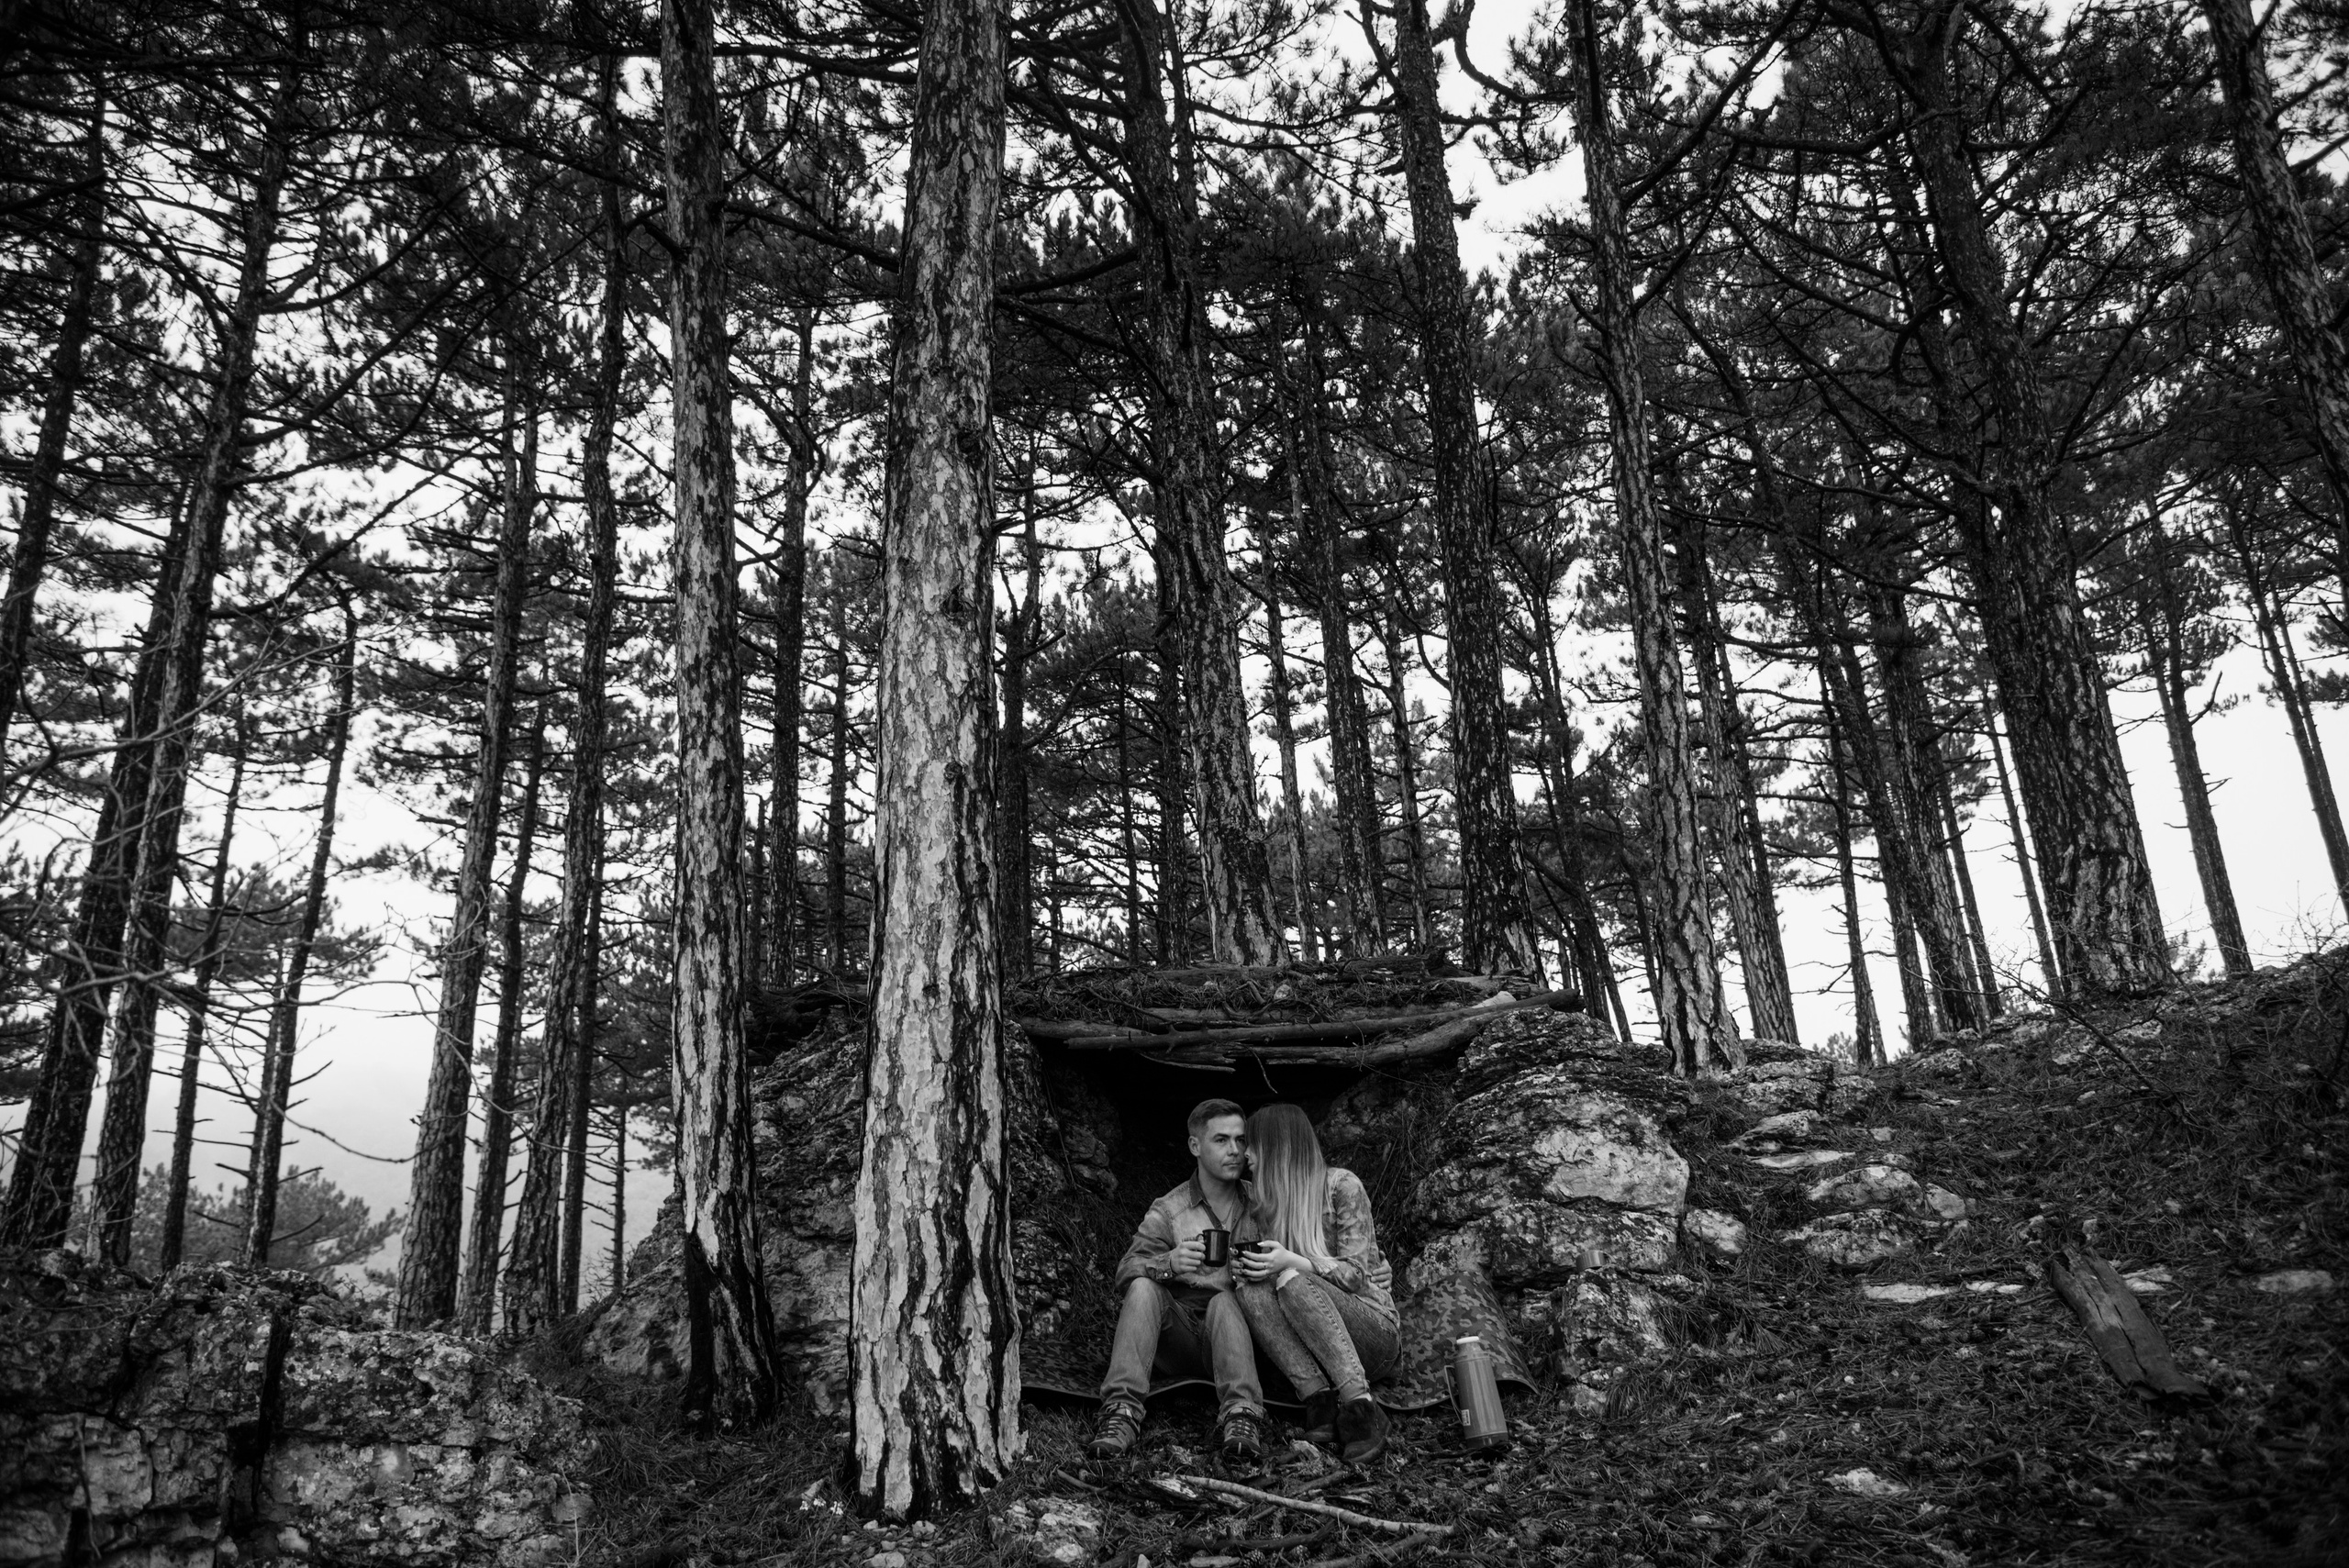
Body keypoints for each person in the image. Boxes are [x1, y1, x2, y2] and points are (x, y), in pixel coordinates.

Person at [1089, 1097, 1270, 1467]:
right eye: (1221, 1140)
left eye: (1240, 1140)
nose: (1234, 1150)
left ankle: (1242, 1416)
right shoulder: (1169, 1209)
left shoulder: (1263, 1202)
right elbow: (1126, 1272)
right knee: (1143, 1286)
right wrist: (1168, 1263)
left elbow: (1306, 1248)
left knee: (1225, 1300)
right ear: (1195, 1146)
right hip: (1182, 1335)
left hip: (1244, 1336)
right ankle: (1121, 1413)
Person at [1232, 1101, 1400, 1465]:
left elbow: (1355, 1274)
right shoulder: (1263, 1206)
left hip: (1373, 1334)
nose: (1246, 1153)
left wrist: (1295, 1262)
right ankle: (1318, 1399)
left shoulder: (1342, 1186)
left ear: (1277, 1146)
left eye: (1252, 1143)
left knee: (1293, 1279)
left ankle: (1362, 1407)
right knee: (1250, 1287)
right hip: (1313, 1347)